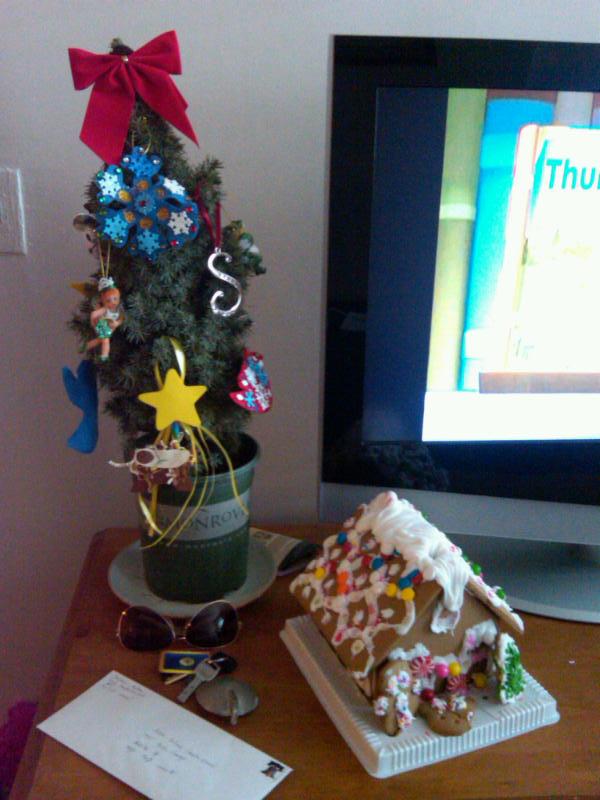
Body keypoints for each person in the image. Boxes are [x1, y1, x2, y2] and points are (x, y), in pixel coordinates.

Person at [86, 277, 124, 361]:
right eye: (108, 301)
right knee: (105, 341)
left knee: (100, 340)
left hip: (110, 328)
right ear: (104, 301)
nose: (112, 302)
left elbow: (121, 318)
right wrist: (93, 323)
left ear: (118, 298)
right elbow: (93, 314)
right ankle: (104, 357)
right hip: (102, 325)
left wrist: (117, 323)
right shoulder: (105, 309)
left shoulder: (118, 309)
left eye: (115, 299)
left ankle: (86, 346)